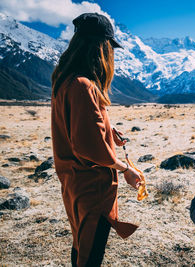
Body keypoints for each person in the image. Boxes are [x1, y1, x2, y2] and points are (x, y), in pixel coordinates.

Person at [51, 13, 142, 267]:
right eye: (109, 47)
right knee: (90, 254)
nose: (110, 54)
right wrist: (126, 169)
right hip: (93, 188)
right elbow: (90, 147)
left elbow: (76, 128)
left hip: (74, 182)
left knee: (80, 245)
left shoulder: (65, 80)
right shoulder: (84, 86)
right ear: (100, 47)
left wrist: (107, 130)